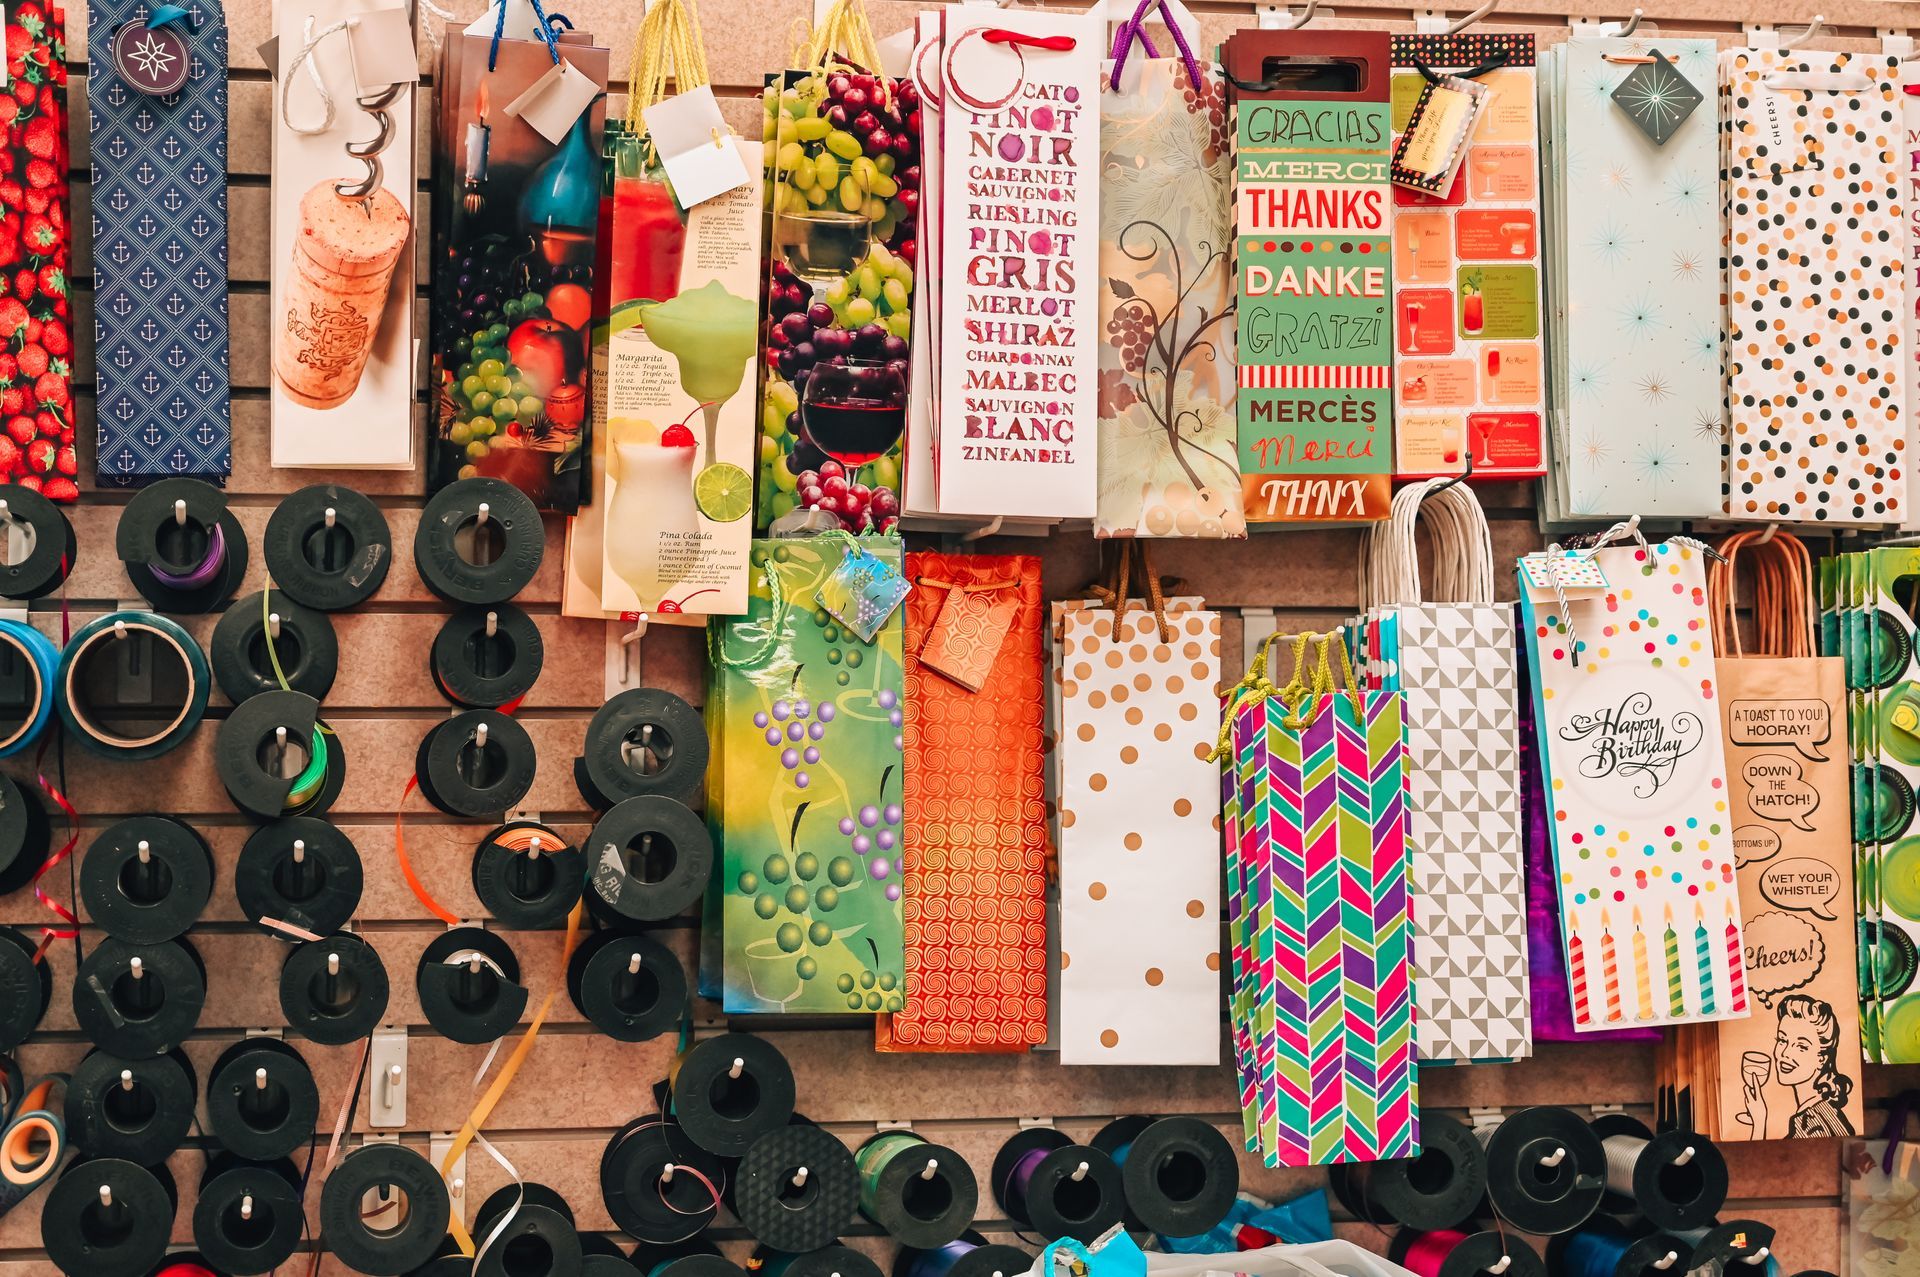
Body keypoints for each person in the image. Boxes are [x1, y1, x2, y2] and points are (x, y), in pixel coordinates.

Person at [1741, 994, 1856, 1138]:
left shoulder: (1814, 1123)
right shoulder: (1815, 1112)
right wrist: (1759, 1118)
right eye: (1782, 1040)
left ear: (1822, 1058)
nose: (1785, 1053)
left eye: (1801, 1046)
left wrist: (1759, 1123)